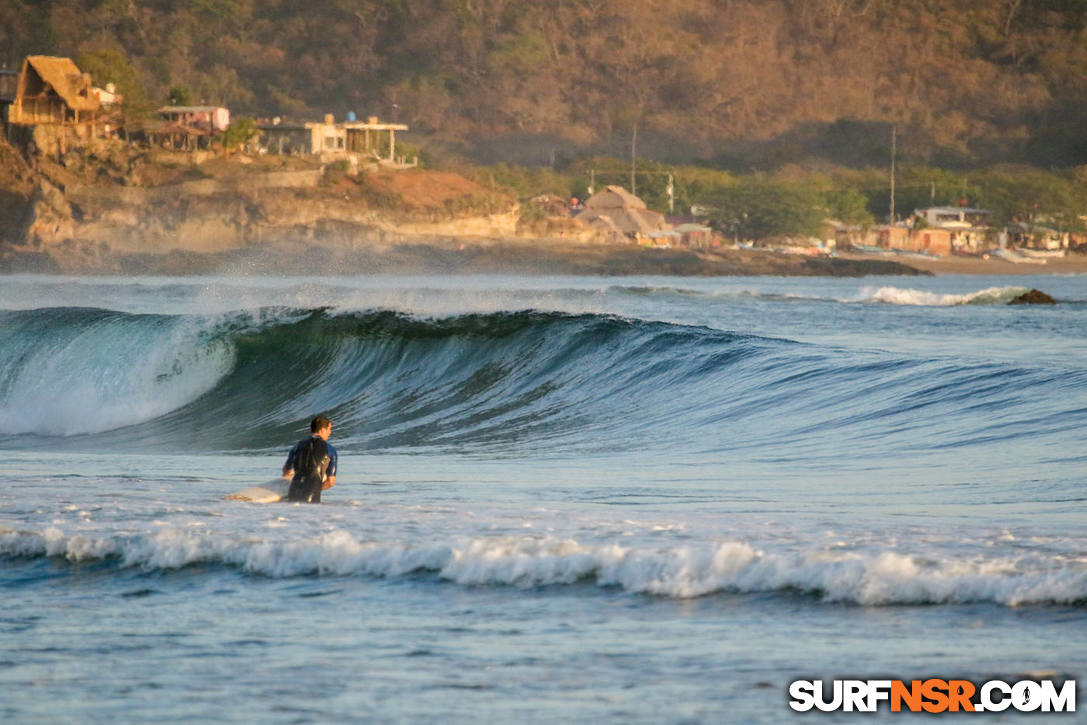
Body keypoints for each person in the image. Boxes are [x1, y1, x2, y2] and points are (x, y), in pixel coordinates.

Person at [282, 416, 338, 503]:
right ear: (323, 430)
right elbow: (330, 481)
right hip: (312, 496)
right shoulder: (330, 450)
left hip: (293, 491)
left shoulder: (297, 446)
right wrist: (317, 488)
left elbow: (286, 471)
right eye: (329, 429)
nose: (330, 432)